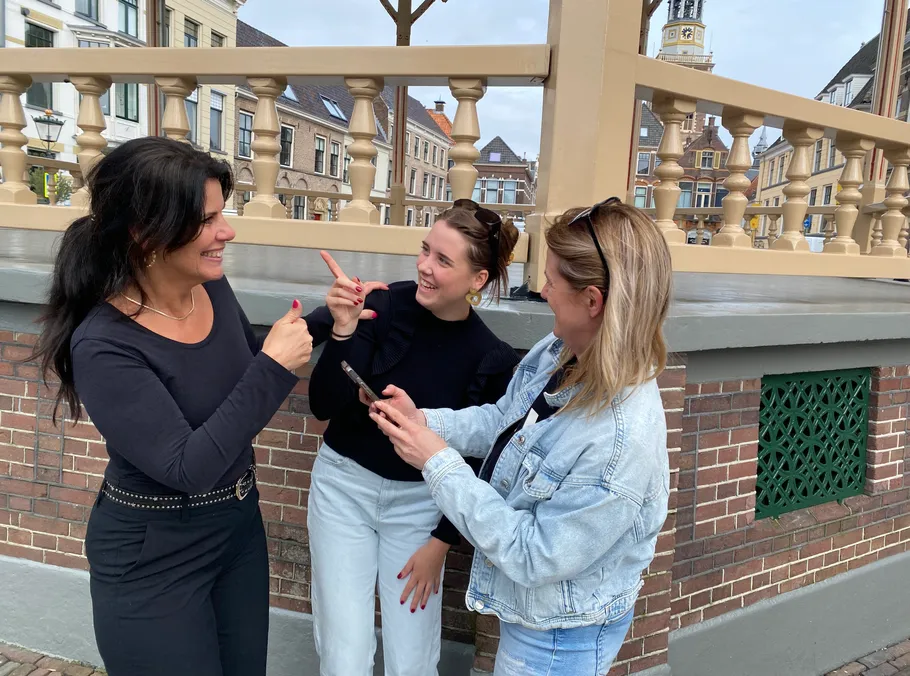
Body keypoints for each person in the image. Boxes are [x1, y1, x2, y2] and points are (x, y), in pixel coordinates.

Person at [31, 137, 315, 676]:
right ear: (146, 234)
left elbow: (242, 367)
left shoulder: (208, 286)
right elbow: (187, 467)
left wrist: (326, 323)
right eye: (208, 220)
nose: (226, 231)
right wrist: (278, 367)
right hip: (153, 551)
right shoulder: (105, 344)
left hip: (237, 529)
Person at [369, 199, 673, 676]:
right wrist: (428, 422)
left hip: (560, 640)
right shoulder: (561, 350)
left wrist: (438, 462)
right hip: (537, 620)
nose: (542, 289)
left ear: (592, 301)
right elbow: (504, 420)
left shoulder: (620, 441)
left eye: (552, 279)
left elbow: (534, 554)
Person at [305, 200, 521, 676]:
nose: (424, 266)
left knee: (413, 656)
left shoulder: (490, 356)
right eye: (425, 250)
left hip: (421, 508)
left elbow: (484, 463)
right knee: (344, 651)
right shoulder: (382, 304)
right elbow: (322, 404)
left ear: (477, 280)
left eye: (443, 260)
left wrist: (441, 544)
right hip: (343, 488)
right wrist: (342, 330)